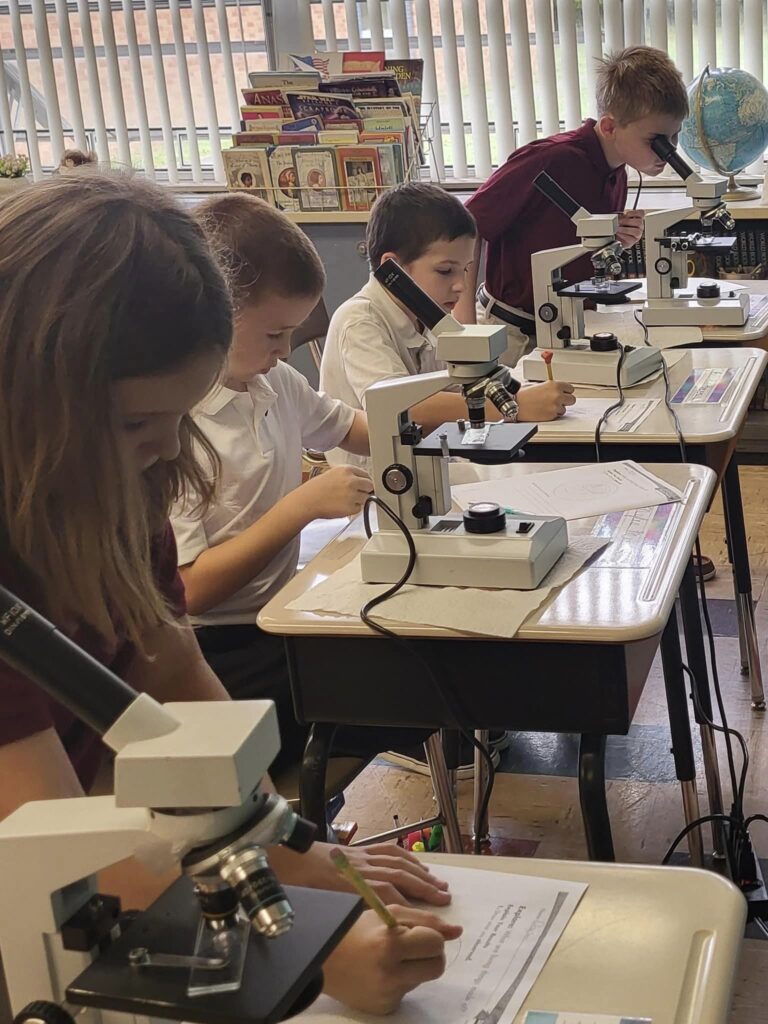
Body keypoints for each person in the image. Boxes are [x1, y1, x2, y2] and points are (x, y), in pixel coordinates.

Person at [0, 173, 458, 1016]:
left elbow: (180, 684)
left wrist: (297, 856)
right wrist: (300, 948)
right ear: (30, 402)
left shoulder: (113, 490)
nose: (167, 447)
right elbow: (59, 859)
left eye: (180, 414)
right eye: (139, 424)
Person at [171, 192, 433, 775]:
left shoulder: (274, 383)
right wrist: (301, 508)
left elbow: (360, 431)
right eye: (273, 335)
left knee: (422, 654)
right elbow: (190, 591)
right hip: (221, 650)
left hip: (281, 612)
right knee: (411, 689)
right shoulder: (175, 426)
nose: (286, 351)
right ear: (212, 314)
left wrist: (477, 403)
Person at [320, 181, 576, 476]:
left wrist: (520, 392)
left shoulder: (428, 313)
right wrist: (516, 405)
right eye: (445, 271)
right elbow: (403, 409)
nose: (461, 285)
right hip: (378, 482)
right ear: (392, 270)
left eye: (465, 269)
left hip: (431, 457)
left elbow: (459, 386)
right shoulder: (360, 321)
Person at [457, 46, 689, 365]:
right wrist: (466, 323)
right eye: (658, 141)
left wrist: (616, 239)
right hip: (514, 333)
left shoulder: (617, 173)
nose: (669, 152)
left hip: (569, 327)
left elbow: (573, 245)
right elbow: (464, 224)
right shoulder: (550, 160)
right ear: (609, 126)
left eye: (675, 138)